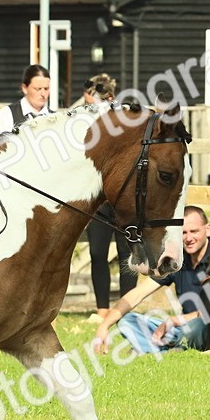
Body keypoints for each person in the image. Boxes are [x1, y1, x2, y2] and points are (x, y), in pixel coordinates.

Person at [94, 206, 210, 355]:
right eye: (183, 232)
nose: (188, 238)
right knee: (126, 321)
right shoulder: (177, 259)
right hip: (180, 327)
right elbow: (136, 294)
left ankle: (163, 349)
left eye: (194, 231)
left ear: (208, 230)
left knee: (193, 329)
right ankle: (172, 347)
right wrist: (104, 325)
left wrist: (174, 320)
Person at [79, 74, 135, 321]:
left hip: (122, 198)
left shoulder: (124, 122)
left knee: (127, 255)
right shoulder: (84, 121)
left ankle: (126, 310)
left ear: (109, 98)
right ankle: (102, 309)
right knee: (97, 253)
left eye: (93, 99)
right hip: (98, 199)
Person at [0, 64, 51, 135]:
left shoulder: (54, 118)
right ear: (25, 88)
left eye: (46, 89)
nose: (43, 94)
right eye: (38, 89)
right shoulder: (7, 114)